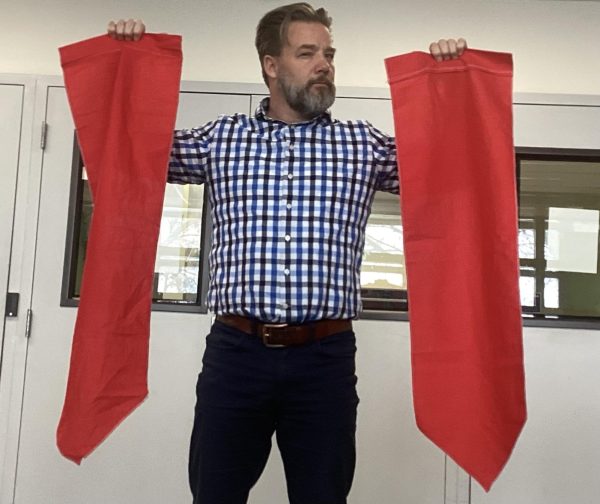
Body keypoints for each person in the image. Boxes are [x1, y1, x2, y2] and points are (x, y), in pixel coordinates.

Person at [108, 4, 466, 503]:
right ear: (271, 65)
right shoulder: (223, 138)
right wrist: (125, 65)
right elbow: (129, 151)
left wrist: (449, 84)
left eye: (328, 53)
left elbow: (446, 171)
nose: (324, 63)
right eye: (307, 52)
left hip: (325, 360)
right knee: (215, 495)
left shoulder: (362, 144)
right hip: (236, 357)